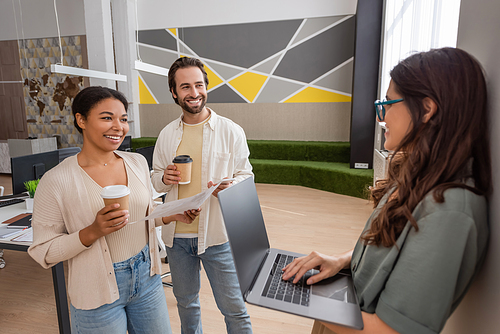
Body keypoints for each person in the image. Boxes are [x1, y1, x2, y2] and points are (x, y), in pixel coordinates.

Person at [283, 47, 491, 334]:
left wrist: (296, 299)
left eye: (390, 103)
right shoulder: (419, 175)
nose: (382, 117)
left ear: (428, 109)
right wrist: (343, 260)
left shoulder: (450, 210)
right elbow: (389, 253)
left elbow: (393, 331)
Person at [28, 86, 200, 334]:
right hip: (95, 291)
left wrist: (172, 214)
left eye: (123, 119)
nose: (118, 126)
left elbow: (145, 213)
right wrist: (91, 232)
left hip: (147, 276)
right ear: (81, 120)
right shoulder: (57, 180)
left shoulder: (136, 162)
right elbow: (42, 250)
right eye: (107, 117)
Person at [151, 57, 253, 334]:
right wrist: (163, 178)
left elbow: (246, 176)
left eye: (199, 85)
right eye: (185, 87)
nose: (194, 93)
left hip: (218, 236)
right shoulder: (166, 135)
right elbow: (155, 181)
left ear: (206, 87)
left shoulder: (231, 131)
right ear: (174, 92)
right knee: (186, 305)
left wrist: (228, 188)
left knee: (235, 309)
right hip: (177, 237)